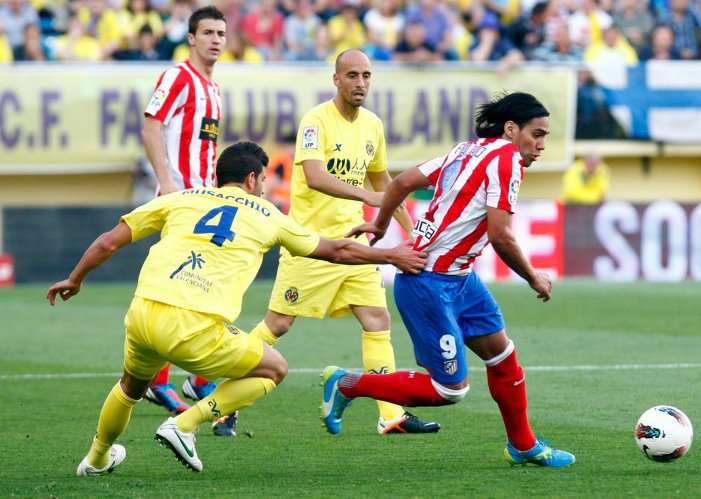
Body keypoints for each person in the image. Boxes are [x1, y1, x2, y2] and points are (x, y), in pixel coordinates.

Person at [47, 141, 428, 476]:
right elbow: (337, 250)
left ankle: (96, 458)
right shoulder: (267, 215)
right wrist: (390, 255)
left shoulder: (183, 198)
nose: (264, 186)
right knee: (274, 368)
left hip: (143, 314)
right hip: (194, 326)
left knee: (130, 386)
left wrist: (75, 279)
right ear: (251, 179)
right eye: (262, 179)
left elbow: (109, 241)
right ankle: (185, 424)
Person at [322, 92, 576, 468]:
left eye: (545, 137)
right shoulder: (507, 159)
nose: (541, 145)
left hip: (460, 279)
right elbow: (501, 235)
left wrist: (381, 223)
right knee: (449, 390)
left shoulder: (465, 149)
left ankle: (523, 446)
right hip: (428, 282)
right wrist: (532, 277)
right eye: (536, 134)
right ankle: (348, 383)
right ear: (511, 129)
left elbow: (403, 181)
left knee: (503, 357)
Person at [248, 49, 441, 435]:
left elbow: (384, 181)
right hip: (311, 243)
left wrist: (412, 228)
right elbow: (316, 176)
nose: (360, 83)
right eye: (352, 75)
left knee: (377, 319)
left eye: (366, 75)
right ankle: (219, 387)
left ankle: (390, 415)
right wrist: (369, 197)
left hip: (354, 242)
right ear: (336, 79)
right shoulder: (316, 121)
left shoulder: (372, 125)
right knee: (279, 324)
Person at [140, 5, 228, 429]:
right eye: (208, 33)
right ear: (191, 37)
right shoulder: (178, 77)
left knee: (201, 285)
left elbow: (205, 149)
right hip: (180, 201)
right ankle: (167, 381)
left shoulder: (213, 88)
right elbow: (151, 125)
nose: (215, 40)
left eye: (221, 34)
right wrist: (166, 181)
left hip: (206, 203)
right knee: (180, 288)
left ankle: (193, 377)